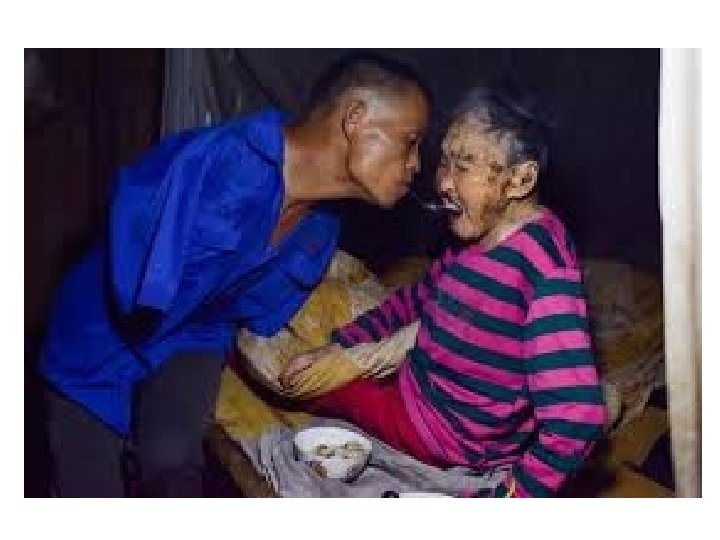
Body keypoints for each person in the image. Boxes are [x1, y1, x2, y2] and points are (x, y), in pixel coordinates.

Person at [39, 53, 430, 497]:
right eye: (410, 141)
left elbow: (255, 318)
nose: (416, 164)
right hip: (96, 340)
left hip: (194, 335)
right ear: (356, 117)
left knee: (174, 466)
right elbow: (135, 273)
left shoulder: (319, 229)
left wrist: (336, 356)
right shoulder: (217, 164)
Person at [282, 86, 608, 497]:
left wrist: (515, 495)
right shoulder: (470, 239)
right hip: (421, 391)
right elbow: (415, 300)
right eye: (444, 162)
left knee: (302, 381)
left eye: (464, 166)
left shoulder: (542, 266)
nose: (444, 182)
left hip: (442, 436)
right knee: (325, 355)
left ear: (521, 179)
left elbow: (576, 417)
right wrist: (344, 342)